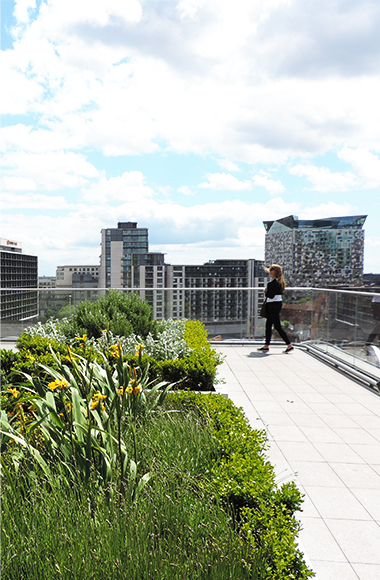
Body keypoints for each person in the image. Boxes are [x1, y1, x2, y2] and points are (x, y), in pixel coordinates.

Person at [258, 264, 293, 353]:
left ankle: (289, 344)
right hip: (275, 304)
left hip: (273, 305)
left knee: (277, 326)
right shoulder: (279, 283)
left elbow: (271, 295)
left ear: (274, 272)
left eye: (271, 270)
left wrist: (266, 292)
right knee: (269, 325)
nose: (270, 271)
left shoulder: (274, 283)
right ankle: (266, 345)